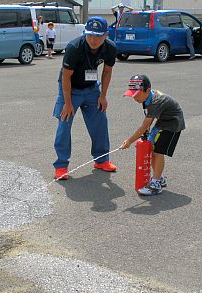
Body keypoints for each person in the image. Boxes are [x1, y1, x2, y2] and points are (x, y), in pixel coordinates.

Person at [53, 16, 117, 180]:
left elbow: (107, 71)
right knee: (64, 124)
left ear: (106, 35)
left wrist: (103, 96)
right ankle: (61, 166)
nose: (93, 40)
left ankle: (101, 160)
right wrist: (67, 104)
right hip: (70, 88)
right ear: (85, 33)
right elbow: (66, 77)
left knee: (100, 122)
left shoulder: (110, 48)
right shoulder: (74, 47)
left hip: (91, 88)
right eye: (90, 35)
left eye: (98, 36)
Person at [121, 75, 185, 196]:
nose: (134, 98)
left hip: (172, 124)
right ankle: (159, 178)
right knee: (152, 148)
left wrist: (129, 141)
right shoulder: (146, 98)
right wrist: (146, 136)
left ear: (148, 90)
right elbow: (148, 122)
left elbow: (145, 125)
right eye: (133, 94)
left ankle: (156, 184)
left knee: (158, 152)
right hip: (162, 122)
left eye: (137, 94)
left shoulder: (156, 102)